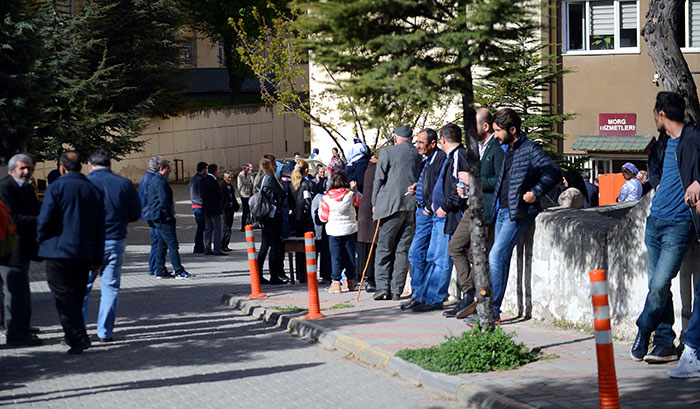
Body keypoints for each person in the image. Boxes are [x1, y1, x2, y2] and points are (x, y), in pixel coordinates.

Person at [630, 91, 700, 363]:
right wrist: (657, 182)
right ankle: (663, 343)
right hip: (655, 223)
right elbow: (653, 165)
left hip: (680, 225)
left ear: (661, 113)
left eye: (654, 112)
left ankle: (642, 329)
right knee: (656, 287)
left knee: (659, 284)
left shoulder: (693, 137)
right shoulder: (661, 142)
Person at [487, 108, 560, 324]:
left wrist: (535, 192)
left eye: (498, 131)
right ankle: (490, 309)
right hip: (502, 211)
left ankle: (492, 311)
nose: (495, 135)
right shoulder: (508, 149)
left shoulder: (530, 149)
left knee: (496, 255)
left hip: (518, 212)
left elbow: (553, 171)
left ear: (512, 129)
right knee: (499, 257)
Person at [37, 151, 105, 354]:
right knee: (75, 295)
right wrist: (97, 256)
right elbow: (99, 227)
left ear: (62, 168)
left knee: (63, 296)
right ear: (81, 168)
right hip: (83, 252)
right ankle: (74, 335)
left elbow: (45, 218)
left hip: (58, 251)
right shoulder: (93, 189)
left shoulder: (56, 187)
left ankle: (77, 337)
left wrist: (38, 241)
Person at [446, 108, 505, 320]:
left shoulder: (496, 150)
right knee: (458, 247)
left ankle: (471, 295)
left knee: (470, 252)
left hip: (485, 210)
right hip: (473, 205)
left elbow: (498, 180)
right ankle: (468, 293)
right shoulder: (478, 148)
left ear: (486, 126)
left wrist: (474, 181)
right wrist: (466, 188)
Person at [83, 149, 141, 342]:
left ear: (90, 165)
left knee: (82, 288)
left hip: (88, 242)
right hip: (114, 239)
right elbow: (135, 213)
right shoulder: (123, 183)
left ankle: (79, 330)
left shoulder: (84, 184)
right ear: (109, 164)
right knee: (110, 287)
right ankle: (105, 331)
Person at [410, 124, 468, 312]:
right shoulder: (450, 157)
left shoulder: (459, 156)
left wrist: (444, 204)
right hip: (439, 214)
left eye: (420, 142)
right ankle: (425, 296)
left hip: (448, 215)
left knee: (442, 258)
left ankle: (434, 298)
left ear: (441, 140)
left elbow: (461, 188)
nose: (418, 145)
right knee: (432, 256)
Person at [372, 125, 422, 300]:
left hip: (389, 205)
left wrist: (374, 204)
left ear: (395, 137)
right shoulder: (417, 154)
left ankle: (382, 287)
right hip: (410, 204)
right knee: (402, 250)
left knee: (384, 247)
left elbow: (378, 179)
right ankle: (396, 290)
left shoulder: (387, 152)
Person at [0, 153, 42, 346]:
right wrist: (40, 221)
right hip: (9, 250)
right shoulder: (4, 188)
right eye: (22, 168)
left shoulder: (25, 188)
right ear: (11, 170)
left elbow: (34, 210)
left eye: (29, 168)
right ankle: (16, 333)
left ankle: (21, 326)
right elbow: (12, 218)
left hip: (21, 247)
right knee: (16, 291)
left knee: (20, 290)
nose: (27, 172)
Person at [402, 128, 446, 311]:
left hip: (429, 213)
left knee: (421, 253)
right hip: (422, 212)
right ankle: (418, 294)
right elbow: (427, 183)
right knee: (418, 254)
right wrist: (417, 187)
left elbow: (439, 186)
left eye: (421, 142)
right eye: (417, 142)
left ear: (433, 143)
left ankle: (424, 295)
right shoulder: (427, 160)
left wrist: (428, 206)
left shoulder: (440, 159)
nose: (417, 146)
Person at [147, 159, 194, 280]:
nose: (170, 170)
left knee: (162, 244)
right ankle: (179, 270)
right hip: (163, 218)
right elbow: (163, 201)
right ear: (161, 169)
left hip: (158, 217)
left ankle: (160, 270)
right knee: (172, 244)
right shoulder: (160, 182)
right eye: (168, 168)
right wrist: (169, 215)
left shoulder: (155, 180)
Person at [318, 171, 361, 293]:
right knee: (350, 256)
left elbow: (323, 218)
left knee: (336, 257)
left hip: (334, 231)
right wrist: (355, 190)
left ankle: (336, 283)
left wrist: (320, 207)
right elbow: (360, 202)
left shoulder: (326, 198)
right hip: (349, 230)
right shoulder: (351, 195)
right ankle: (351, 281)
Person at [255, 155, 288, 284]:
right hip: (273, 214)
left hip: (263, 215)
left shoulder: (258, 177)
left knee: (264, 245)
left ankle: (258, 275)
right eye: (274, 164)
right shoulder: (270, 177)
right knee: (274, 246)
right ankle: (274, 276)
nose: (276, 167)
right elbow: (282, 192)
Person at [356, 155, 380, 292]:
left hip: (365, 211)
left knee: (365, 244)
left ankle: (366, 277)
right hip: (372, 210)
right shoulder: (374, 169)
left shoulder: (366, 167)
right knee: (372, 244)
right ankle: (371, 278)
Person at [291, 160, 315, 282]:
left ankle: (300, 274)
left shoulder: (292, 184)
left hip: (296, 218)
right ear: (306, 170)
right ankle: (307, 274)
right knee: (308, 247)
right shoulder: (306, 184)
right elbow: (308, 202)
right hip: (305, 219)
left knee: (299, 249)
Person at [139, 156, 162, 276]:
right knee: (157, 241)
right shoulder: (152, 179)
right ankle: (154, 267)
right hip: (153, 214)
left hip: (148, 213)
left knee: (156, 241)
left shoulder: (146, 178)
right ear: (155, 166)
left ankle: (154, 266)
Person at [201, 164, 225, 256]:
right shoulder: (213, 181)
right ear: (215, 171)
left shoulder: (203, 180)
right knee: (217, 228)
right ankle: (217, 248)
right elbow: (218, 194)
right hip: (214, 208)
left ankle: (207, 247)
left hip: (206, 208)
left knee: (208, 228)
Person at [188, 162, 208, 253]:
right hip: (200, 205)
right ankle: (199, 246)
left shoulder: (193, 179)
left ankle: (199, 245)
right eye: (206, 169)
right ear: (203, 169)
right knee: (201, 227)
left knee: (200, 226)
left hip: (195, 204)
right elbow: (203, 194)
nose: (206, 171)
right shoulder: (200, 180)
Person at [220, 171, 239, 251]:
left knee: (229, 227)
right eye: (229, 177)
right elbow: (222, 199)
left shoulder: (230, 186)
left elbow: (233, 197)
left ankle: (226, 244)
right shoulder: (222, 186)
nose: (230, 179)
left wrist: (236, 205)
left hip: (231, 209)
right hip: (225, 210)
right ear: (224, 178)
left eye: (231, 177)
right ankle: (222, 244)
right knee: (225, 227)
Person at [237, 163, 253, 231]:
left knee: (248, 211)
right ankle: (243, 225)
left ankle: (248, 223)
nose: (248, 170)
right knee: (245, 210)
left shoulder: (245, 175)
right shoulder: (241, 175)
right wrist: (249, 175)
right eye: (247, 169)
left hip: (247, 194)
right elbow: (246, 182)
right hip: (243, 194)